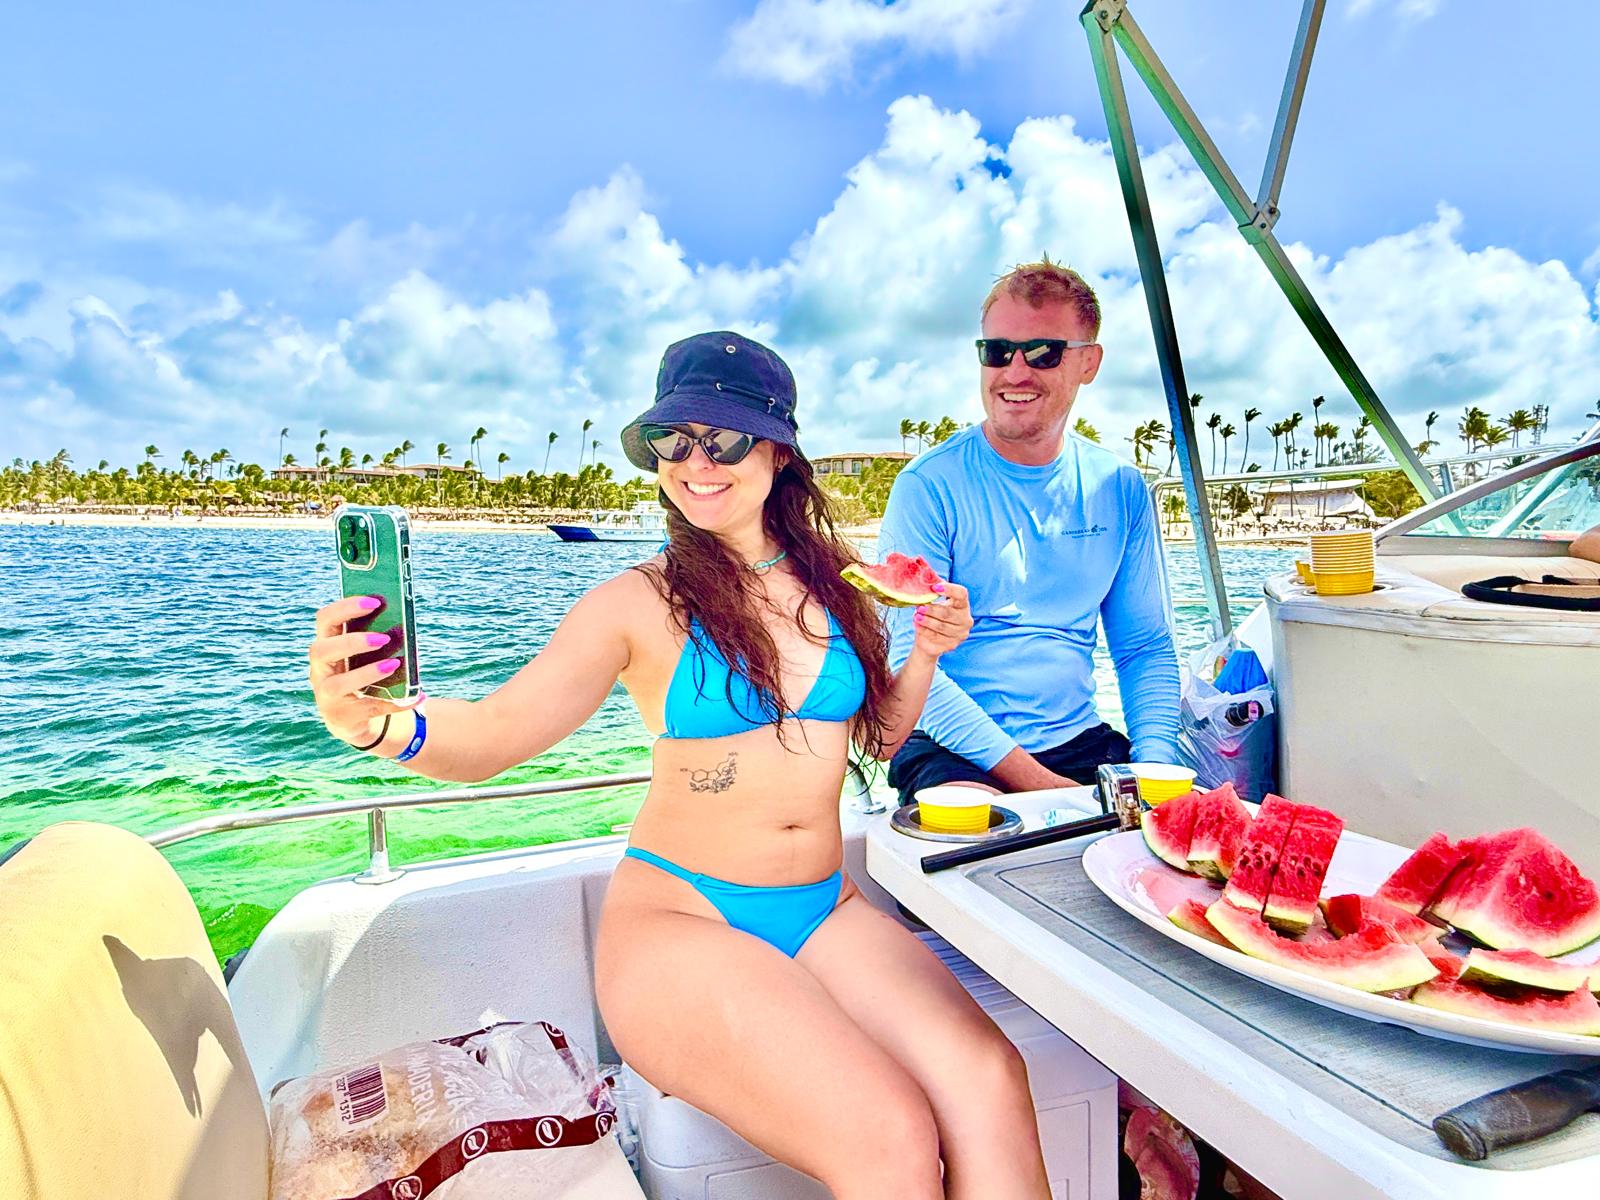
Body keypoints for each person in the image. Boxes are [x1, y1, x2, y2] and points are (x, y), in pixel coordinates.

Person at [307, 331, 1052, 1200]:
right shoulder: (636, 602)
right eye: (674, 439)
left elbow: (880, 743)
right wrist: (373, 726)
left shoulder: (845, 584)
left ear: (777, 452)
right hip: (679, 921)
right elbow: (494, 736)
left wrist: (923, 654)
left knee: (992, 1081)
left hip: (825, 909)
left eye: (724, 439)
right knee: (889, 1139)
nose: (698, 462)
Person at [880, 259, 1181, 805]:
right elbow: (907, 657)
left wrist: (1155, 773)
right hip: (952, 749)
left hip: (1080, 741)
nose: (1014, 372)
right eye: (997, 351)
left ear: (1088, 362)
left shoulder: (1120, 487)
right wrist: (1054, 792)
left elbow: (1144, 647)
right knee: (977, 839)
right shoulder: (928, 485)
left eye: (1043, 352)